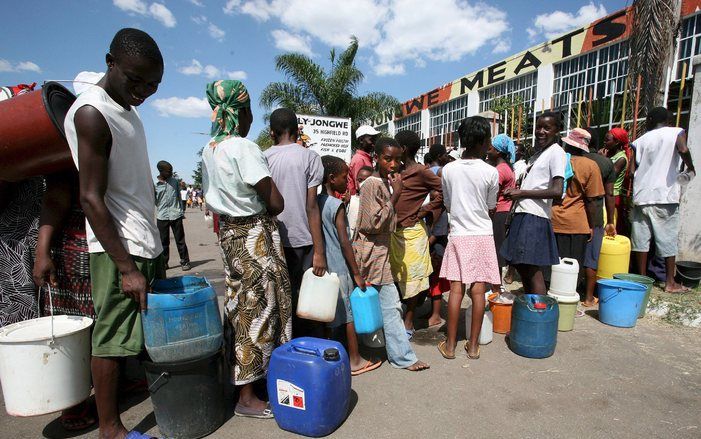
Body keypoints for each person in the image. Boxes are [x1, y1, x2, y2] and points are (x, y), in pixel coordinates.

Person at [63, 28, 166, 439]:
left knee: (135, 333)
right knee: (112, 336)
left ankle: (127, 397)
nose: (142, 91)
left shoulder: (125, 107)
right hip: (118, 247)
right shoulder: (93, 113)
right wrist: (126, 266)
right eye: (135, 80)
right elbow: (91, 199)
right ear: (110, 63)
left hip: (144, 239)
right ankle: (110, 428)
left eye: (152, 85)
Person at [201, 79, 290, 418]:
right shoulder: (243, 147)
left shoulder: (210, 148)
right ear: (242, 112)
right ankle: (248, 398)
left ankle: (246, 386)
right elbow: (276, 202)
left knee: (240, 311)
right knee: (261, 314)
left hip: (229, 236)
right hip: (254, 237)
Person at [354, 137, 429, 372]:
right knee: (384, 305)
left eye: (397, 159)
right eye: (388, 159)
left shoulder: (382, 182)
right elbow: (370, 223)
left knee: (388, 305)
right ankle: (397, 356)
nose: (393, 164)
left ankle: (399, 356)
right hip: (370, 255)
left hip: (380, 254)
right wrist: (396, 194)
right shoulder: (372, 184)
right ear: (377, 157)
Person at [436, 117, 500, 360]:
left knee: (455, 289)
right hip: (482, 234)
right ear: (483, 141)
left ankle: (450, 345)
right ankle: (473, 347)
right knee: (478, 289)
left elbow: (449, 203)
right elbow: (491, 205)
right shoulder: (490, 172)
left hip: (459, 233)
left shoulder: (449, 169)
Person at [264, 108, 327, 337]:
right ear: (297, 130)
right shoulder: (309, 157)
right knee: (308, 301)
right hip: (305, 242)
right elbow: (312, 206)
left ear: (272, 133)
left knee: (280, 299)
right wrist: (320, 251)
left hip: (272, 241)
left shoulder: (263, 158)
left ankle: (284, 345)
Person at [318, 155, 382, 376]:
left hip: (324, 267)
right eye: (345, 176)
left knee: (329, 315)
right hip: (340, 266)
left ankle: (334, 354)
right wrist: (357, 274)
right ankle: (355, 359)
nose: (348, 180)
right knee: (348, 316)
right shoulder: (336, 205)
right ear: (331, 177)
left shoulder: (316, 202)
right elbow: (344, 241)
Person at [630, 107, 696, 293]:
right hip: (664, 196)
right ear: (669, 119)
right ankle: (670, 282)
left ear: (650, 120)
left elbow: (632, 172)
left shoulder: (639, 141)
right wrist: (690, 167)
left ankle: (642, 281)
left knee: (641, 242)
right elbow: (683, 148)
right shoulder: (676, 132)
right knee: (667, 240)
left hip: (641, 196)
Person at [500, 111, 566, 295]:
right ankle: (531, 310)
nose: (541, 132)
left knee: (530, 268)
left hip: (534, 217)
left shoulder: (556, 152)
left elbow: (557, 190)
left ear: (557, 130)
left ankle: (539, 315)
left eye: (547, 128)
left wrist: (521, 193)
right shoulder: (539, 155)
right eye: (538, 127)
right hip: (523, 214)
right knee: (520, 265)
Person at [391, 130, 443, 339]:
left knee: (412, 281)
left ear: (402, 149)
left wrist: (423, 211)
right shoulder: (396, 171)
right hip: (393, 232)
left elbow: (444, 191)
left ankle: (409, 321)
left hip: (412, 233)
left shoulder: (422, 172)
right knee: (396, 278)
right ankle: (399, 315)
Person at [551, 129, 604, 299]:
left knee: (553, 264)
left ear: (567, 143)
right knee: (572, 267)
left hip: (553, 219)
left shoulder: (558, 161)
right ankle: (568, 297)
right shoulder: (590, 166)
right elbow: (592, 201)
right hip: (577, 224)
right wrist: (593, 225)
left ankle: (553, 295)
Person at [583, 130, 617, 307]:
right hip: (595, 215)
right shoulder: (605, 163)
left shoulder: (572, 159)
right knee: (591, 256)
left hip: (573, 214)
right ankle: (588, 297)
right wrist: (610, 220)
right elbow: (610, 193)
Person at [426, 144, 452, 328]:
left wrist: (427, 243)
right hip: (432, 247)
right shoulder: (433, 206)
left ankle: (435, 314)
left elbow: (439, 231)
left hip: (437, 249)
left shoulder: (441, 209)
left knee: (436, 281)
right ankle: (432, 311)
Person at [486, 134, 516, 292]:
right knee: (497, 249)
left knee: (496, 250)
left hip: (499, 213)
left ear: (498, 152)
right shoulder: (506, 167)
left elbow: (492, 195)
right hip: (503, 212)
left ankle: (496, 286)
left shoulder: (500, 170)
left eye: (490, 148)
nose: (487, 151)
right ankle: (495, 284)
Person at [155, 160, 191, 271]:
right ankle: (164, 263)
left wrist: (181, 211)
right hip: (162, 216)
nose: (171, 172)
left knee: (180, 240)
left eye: (171, 170)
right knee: (163, 241)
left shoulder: (174, 182)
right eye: (168, 171)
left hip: (176, 215)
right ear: (161, 171)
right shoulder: (154, 185)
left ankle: (185, 261)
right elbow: (154, 200)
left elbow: (179, 197)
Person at [604, 127, 632, 235]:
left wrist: (603, 160)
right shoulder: (607, 154)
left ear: (617, 142)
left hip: (613, 196)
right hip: (605, 194)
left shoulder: (621, 158)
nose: (604, 142)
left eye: (607, 140)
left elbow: (610, 176)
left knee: (611, 224)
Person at [348, 125, 380, 196]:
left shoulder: (366, 158)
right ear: (361, 140)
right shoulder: (359, 159)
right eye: (371, 140)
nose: (374, 143)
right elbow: (360, 187)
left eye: (375, 140)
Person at [347, 166, 373, 239]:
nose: (362, 184)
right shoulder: (350, 200)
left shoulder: (375, 202)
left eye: (366, 181)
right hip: (351, 240)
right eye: (360, 180)